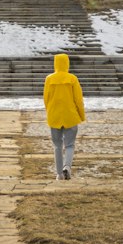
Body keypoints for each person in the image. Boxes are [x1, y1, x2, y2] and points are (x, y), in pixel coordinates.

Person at [43, 52, 85, 180]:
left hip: (54, 116)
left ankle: (59, 174)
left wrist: (49, 112)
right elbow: (78, 99)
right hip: (70, 116)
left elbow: (46, 98)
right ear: (67, 63)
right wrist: (81, 115)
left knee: (57, 145)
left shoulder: (49, 79)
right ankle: (67, 167)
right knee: (70, 145)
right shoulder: (72, 78)